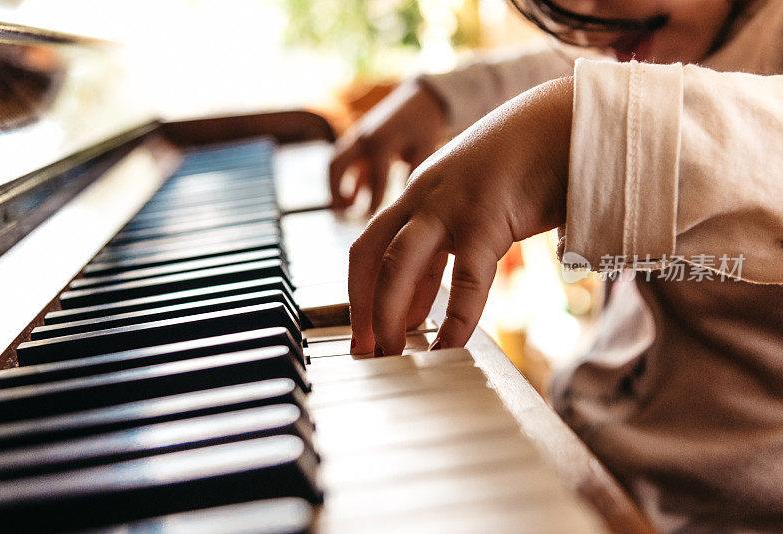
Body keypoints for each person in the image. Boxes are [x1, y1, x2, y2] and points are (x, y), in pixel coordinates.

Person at [329, 0, 783, 532]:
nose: (577, 16)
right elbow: (565, 71)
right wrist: (439, 98)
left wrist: (582, 126)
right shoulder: (658, 29)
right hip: (588, 454)